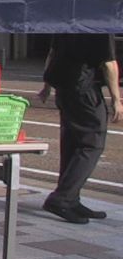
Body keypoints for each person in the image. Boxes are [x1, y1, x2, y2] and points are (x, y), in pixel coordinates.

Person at [37, 34, 120, 223]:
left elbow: (53, 54)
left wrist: (47, 86)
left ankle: (71, 198)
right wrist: (117, 99)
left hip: (63, 88)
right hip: (85, 90)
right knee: (92, 144)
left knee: (72, 143)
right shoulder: (100, 28)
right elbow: (109, 64)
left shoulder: (70, 22)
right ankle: (62, 198)